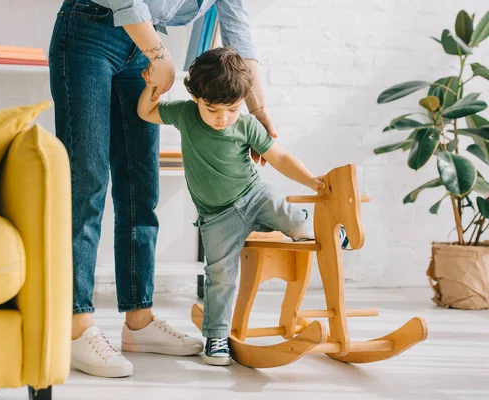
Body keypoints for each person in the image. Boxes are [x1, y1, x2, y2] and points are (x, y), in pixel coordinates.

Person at [49, 0, 279, 377]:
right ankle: (76, 326)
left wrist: (259, 110)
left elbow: (239, 34)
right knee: (86, 182)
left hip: (144, 44)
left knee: (141, 186)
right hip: (90, 31)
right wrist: (157, 52)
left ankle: (139, 322)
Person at [137, 47, 350, 365]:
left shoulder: (247, 125)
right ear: (196, 97)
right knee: (220, 275)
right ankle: (216, 336)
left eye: (232, 109)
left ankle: (326, 232)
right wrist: (152, 87)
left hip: (254, 195)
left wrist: (311, 181)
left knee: (290, 216)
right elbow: (146, 112)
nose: (223, 118)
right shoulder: (184, 113)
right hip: (216, 216)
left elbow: (279, 157)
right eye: (213, 110)